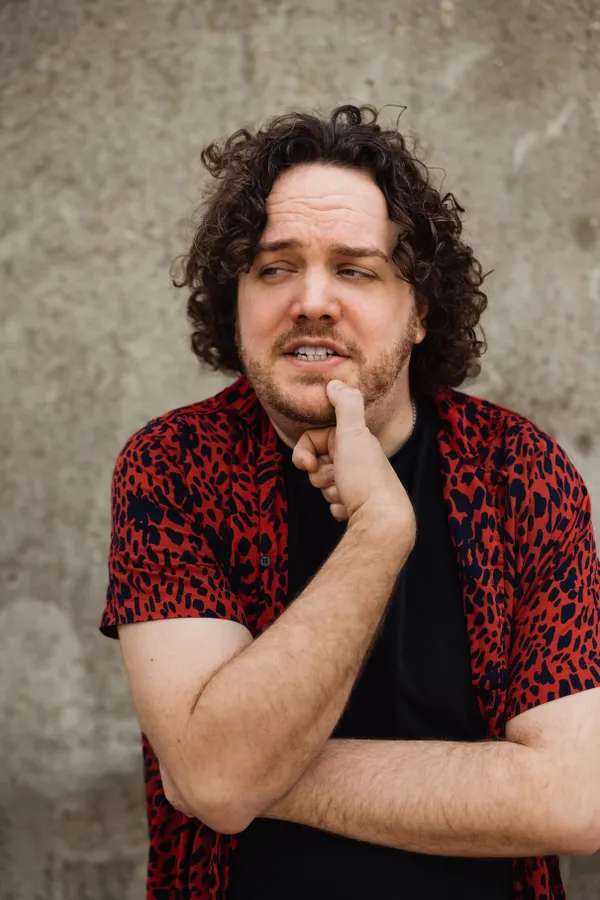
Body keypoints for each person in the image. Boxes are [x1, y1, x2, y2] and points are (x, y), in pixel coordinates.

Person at [101, 105, 600, 900]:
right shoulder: (175, 466)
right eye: (274, 268)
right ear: (235, 300)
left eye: (356, 269)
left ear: (419, 309)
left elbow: (575, 799)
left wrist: (247, 772)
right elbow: (218, 781)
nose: (312, 300)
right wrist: (379, 531)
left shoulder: (518, 472)